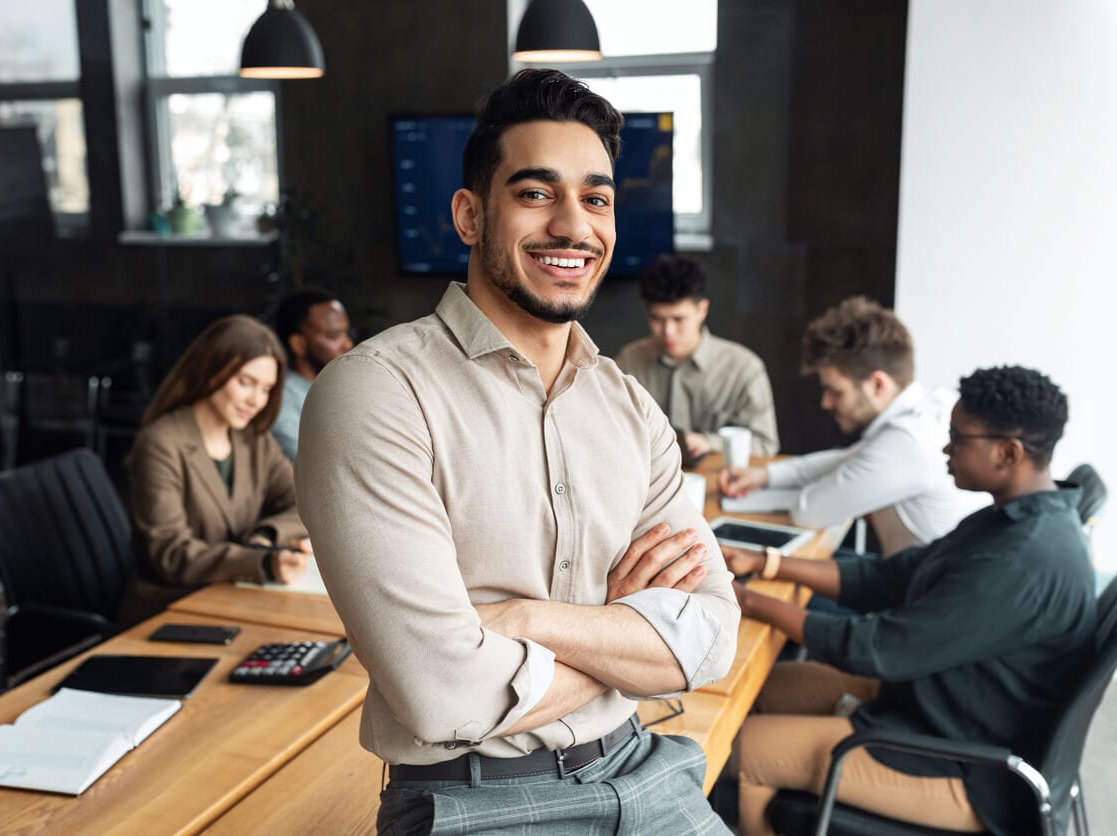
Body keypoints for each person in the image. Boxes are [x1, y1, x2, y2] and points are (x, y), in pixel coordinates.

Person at [298, 69, 739, 834]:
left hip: (645, 768)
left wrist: (522, 620)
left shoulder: (631, 407)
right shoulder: (375, 393)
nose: (574, 226)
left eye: (595, 198)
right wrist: (619, 628)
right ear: (469, 216)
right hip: (478, 803)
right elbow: (443, 693)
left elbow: (709, 641)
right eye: (536, 193)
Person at [722, 365, 1094, 835]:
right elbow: (894, 574)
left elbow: (879, 648)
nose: (945, 448)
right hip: (937, 705)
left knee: (740, 751)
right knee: (758, 687)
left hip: (964, 765)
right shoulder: (1016, 519)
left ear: (1007, 452)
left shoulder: (1018, 562)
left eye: (958, 439)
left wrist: (752, 604)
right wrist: (767, 563)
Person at [720, 295, 982, 557]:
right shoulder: (931, 406)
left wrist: (780, 492)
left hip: (916, 593)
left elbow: (809, 511)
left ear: (878, 384)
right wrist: (765, 476)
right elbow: (851, 458)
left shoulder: (907, 443)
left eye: (836, 392)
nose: (826, 403)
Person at [120, 314, 310, 624]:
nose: (256, 400)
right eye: (245, 383)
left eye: (266, 389)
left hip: (236, 597)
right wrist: (260, 561)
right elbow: (172, 554)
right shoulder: (161, 443)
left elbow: (305, 501)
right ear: (211, 370)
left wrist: (265, 535)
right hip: (170, 610)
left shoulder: (254, 440)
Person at [616, 254, 779, 461]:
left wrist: (708, 442)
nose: (668, 332)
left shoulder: (743, 368)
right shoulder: (629, 361)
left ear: (702, 310)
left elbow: (765, 444)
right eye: (657, 319)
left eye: (679, 319)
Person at [271, 288, 354, 460]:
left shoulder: (343, 388)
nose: (347, 344)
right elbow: (316, 464)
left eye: (347, 333)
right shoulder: (282, 400)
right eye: (334, 335)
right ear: (298, 344)